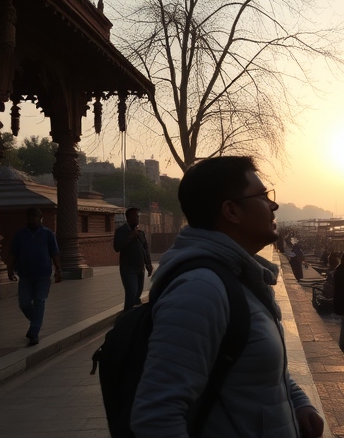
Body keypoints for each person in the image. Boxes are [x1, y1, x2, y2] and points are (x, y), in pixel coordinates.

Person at [131, 156, 324, 438]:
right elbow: (156, 416)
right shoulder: (200, 289)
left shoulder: (237, 276)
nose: (273, 205)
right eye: (263, 196)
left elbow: (258, 368)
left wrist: (298, 402)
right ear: (231, 211)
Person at [6, 207, 62, 346]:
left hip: (43, 274)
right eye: (29, 217)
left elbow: (54, 253)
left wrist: (58, 270)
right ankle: (36, 322)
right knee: (24, 303)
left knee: (39, 300)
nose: (32, 219)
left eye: (34, 217)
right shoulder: (20, 235)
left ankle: (34, 331)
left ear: (40, 218)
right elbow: (13, 254)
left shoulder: (47, 234)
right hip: (25, 275)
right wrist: (10, 269)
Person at [113, 207, 154, 311]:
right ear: (128, 218)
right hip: (128, 269)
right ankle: (126, 317)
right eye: (134, 217)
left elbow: (145, 249)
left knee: (137, 295)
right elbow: (117, 247)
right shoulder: (121, 231)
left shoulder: (140, 233)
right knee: (131, 293)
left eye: (137, 217)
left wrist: (148, 264)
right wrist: (130, 236)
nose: (137, 219)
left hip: (140, 268)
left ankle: (133, 318)